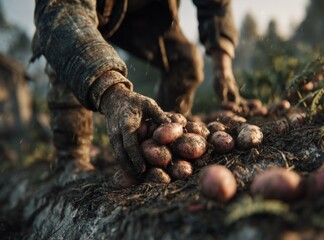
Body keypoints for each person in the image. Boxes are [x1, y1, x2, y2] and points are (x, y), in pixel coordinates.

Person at [31, 0, 242, 181]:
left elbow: (215, 4)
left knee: (186, 63)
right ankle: (70, 158)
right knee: (65, 53)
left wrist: (222, 67)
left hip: (145, 11)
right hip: (81, 13)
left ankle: (164, 141)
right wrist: (113, 94)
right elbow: (62, 15)